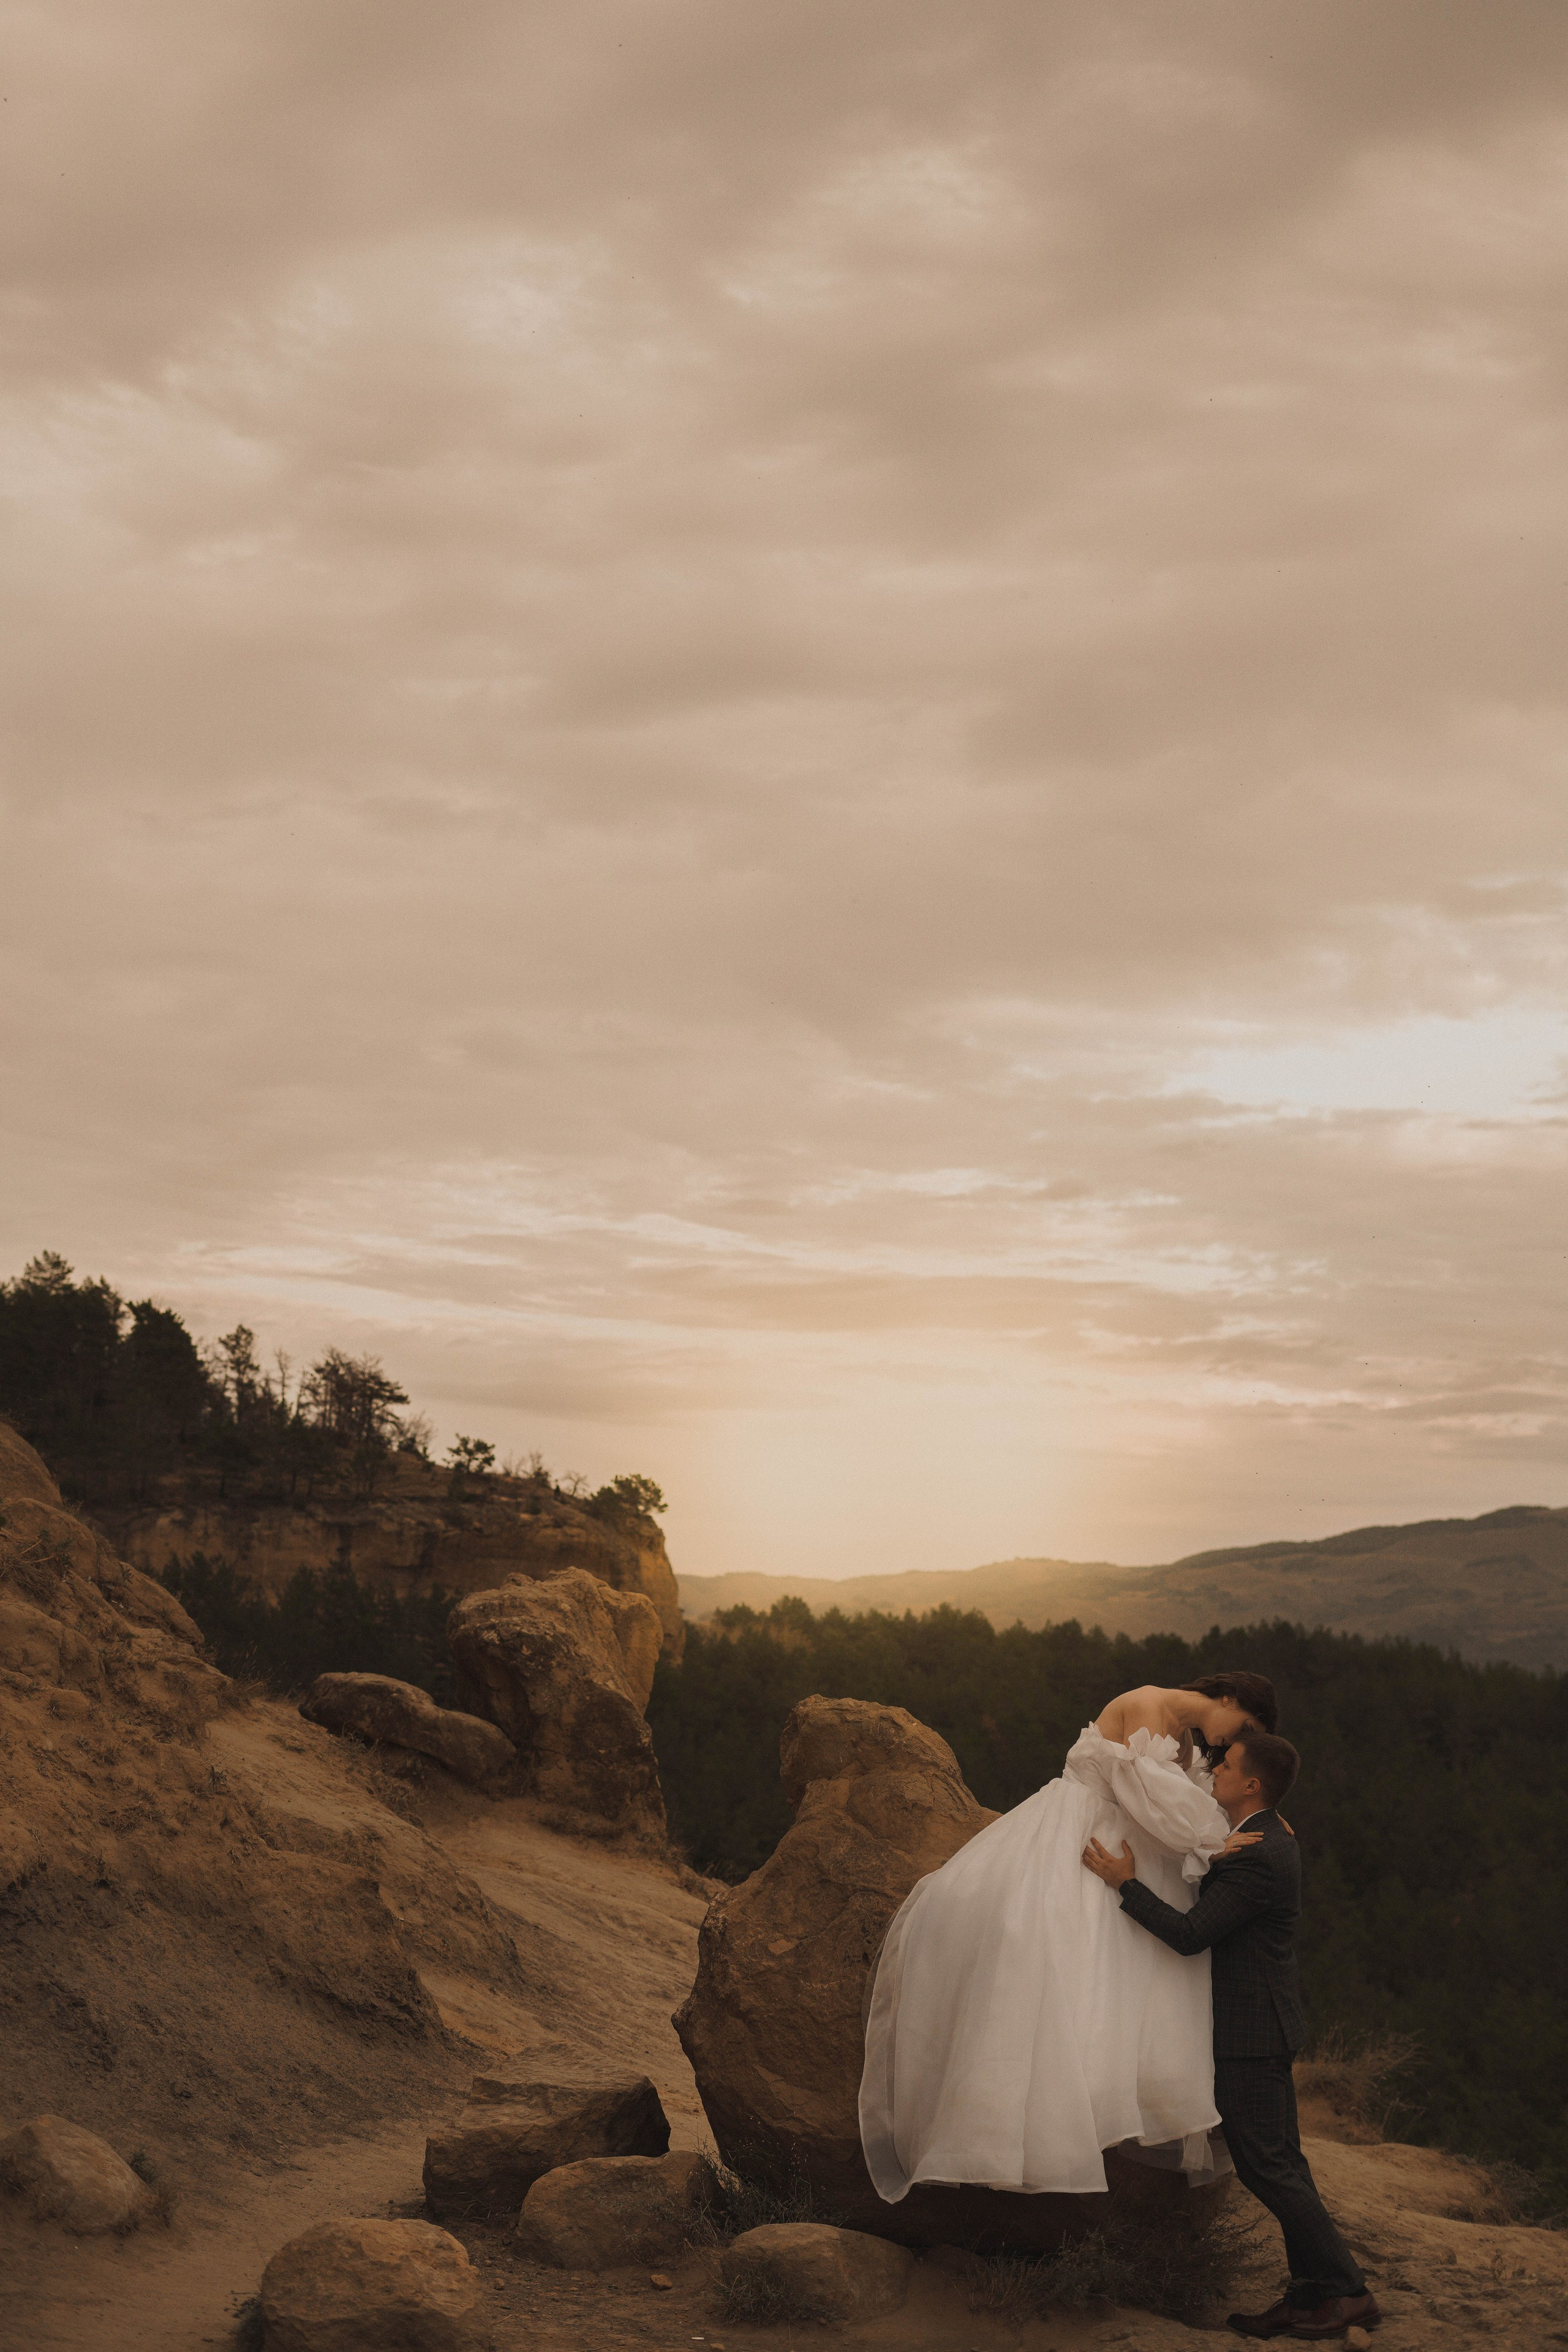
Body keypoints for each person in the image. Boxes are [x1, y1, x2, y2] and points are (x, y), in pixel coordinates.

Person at [858, 1672, 1278, 2206]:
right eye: (1243, 1726)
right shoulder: (1148, 1704)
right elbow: (1152, 1799)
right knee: (1062, 1964)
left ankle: (1111, 2106)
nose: (1231, 1743)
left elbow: (1173, 1804)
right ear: (1229, 1699)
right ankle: (1028, 2125)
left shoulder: (1189, 1738)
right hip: (1082, 1832)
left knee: (1126, 1980)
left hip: (1127, 1843)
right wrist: (1223, 1841)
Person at [1084, 1731, 1379, 2343]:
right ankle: (1305, 2298)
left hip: (1252, 2032)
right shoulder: (1260, 1840)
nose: (1215, 1770)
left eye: (1227, 1765)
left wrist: (1124, 1883)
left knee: (1267, 2167)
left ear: (1252, 1785)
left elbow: (1191, 1934)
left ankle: (1347, 2291)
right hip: (1262, 2023)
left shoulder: (1260, 1854)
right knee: (1281, 2164)